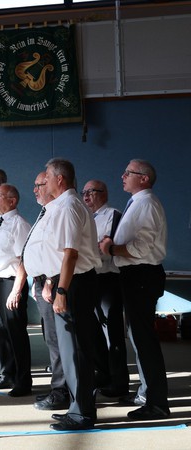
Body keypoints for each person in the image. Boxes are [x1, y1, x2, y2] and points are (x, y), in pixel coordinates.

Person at [24, 158, 99, 431]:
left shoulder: (68, 206)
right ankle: (77, 407)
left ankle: (82, 414)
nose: (43, 182)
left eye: (47, 178)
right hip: (64, 280)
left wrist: (62, 290)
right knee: (70, 351)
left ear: (59, 179)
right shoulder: (60, 206)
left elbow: (70, 253)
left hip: (74, 282)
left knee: (75, 350)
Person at [100, 159, 170, 421]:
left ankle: (157, 403)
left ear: (144, 178)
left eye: (128, 172)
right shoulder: (138, 203)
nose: (122, 176)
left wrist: (111, 248)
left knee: (144, 339)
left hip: (141, 274)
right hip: (135, 275)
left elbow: (141, 248)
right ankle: (146, 393)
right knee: (138, 338)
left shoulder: (146, 203)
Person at [16, 172, 69, 411]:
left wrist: (49, 280)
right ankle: (59, 387)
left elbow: (60, 252)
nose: (35, 189)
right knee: (51, 338)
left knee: (58, 340)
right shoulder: (46, 212)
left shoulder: (60, 211)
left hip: (51, 282)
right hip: (41, 282)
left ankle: (62, 390)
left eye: (40, 185)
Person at [0, 184, 32, 397]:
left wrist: (17, 290)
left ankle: (23, 380)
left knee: (15, 333)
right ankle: (6, 374)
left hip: (11, 283)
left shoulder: (19, 224)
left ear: (12, 200)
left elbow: (24, 260)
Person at [81, 180, 128, 397]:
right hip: (90, 278)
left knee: (112, 332)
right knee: (93, 331)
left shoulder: (113, 215)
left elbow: (106, 248)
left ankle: (119, 381)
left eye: (91, 191)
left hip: (108, 279)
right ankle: (102, 373)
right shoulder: (85, 218)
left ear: (104, 193)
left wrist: (88, 252)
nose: (86, 196)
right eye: (84, 192)